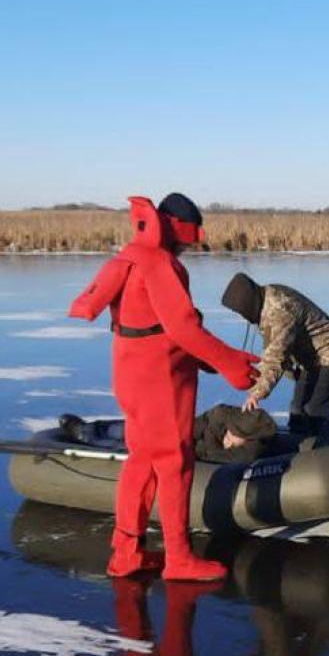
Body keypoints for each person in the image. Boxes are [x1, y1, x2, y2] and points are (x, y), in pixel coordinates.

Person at [69, 193, 259, 580]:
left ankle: (126, 552)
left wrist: (206, 358)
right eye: (189, 242)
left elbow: (158, 324)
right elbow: (182, 327)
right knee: (174, 463)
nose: (189, 249)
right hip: (160, 382)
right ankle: (179, 558)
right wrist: (229, 363)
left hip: (130, 373)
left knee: (141, 463)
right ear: (179, 232)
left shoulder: (130, 256)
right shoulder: (160, 264)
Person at [220, 273, 329, 439]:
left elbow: (275, 357)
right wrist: (289, 371)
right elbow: (274, 346)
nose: (241, 315)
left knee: (314, 410)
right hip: (308, 358)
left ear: (247, 304)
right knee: (297, 408)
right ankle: (297, 445)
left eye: (240, 311)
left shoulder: (279, 310)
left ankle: (323, 448)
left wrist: (257, 393)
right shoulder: (265, 302)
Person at [58, 406, 279, 465]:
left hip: (181, 449)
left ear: (249, 439)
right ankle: (88, 429)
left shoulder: (249, 453)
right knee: (137, 429)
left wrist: (206, 440)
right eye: (231, 430)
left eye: (236, 436)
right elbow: (206, 420)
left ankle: (87, 439)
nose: (230, 435)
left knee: (133, 448)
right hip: (178, 433)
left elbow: (209, 455)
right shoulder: (229, 417)